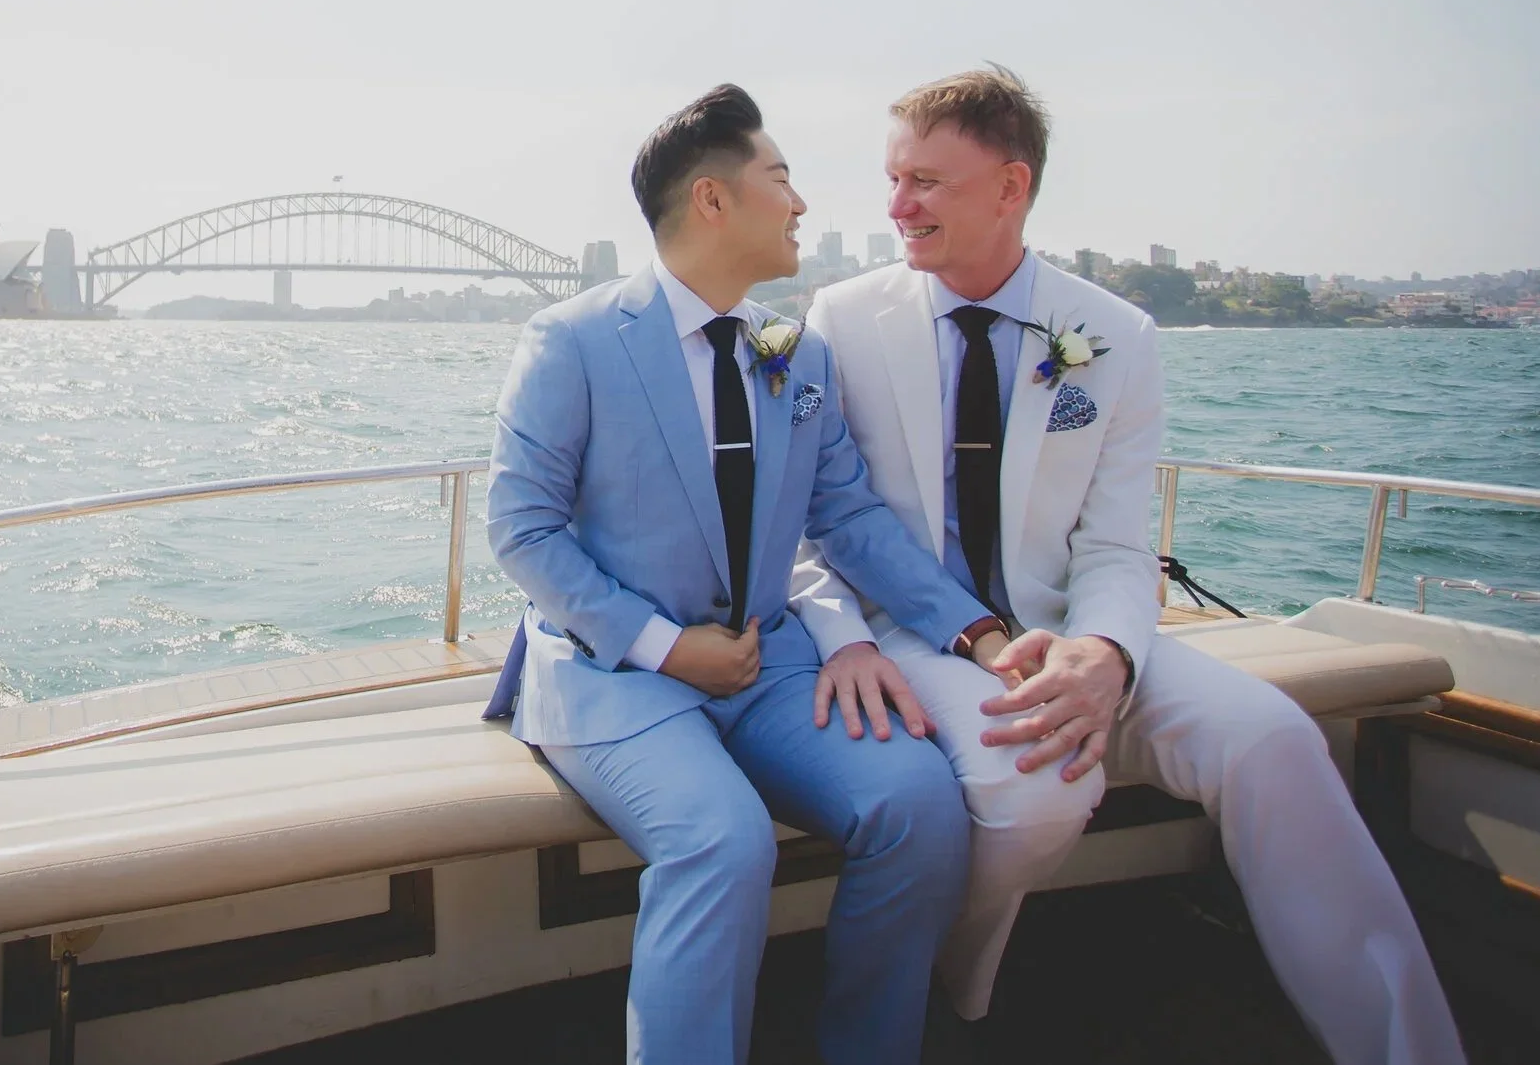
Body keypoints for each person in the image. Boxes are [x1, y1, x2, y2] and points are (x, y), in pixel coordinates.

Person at [790, 66, 1465, 1065]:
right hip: (914, 630)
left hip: (1069, 623)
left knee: (1274, 739)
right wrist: (845, 637)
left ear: (1010, 187)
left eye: (925, 182)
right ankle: (956, 972)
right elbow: (809, 518)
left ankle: (1406, 1048)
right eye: (893, 179)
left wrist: (1106, 651)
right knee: (1035, 787)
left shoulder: (1115, 333)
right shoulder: (840, 321)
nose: (896, 205)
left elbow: (1112, 543)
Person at [483, 83, 1009, 1065]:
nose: (802, 203)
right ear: (713, 202)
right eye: (780, 179)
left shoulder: (792, 349)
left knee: (921, 806)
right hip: (615, 675)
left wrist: (979, 631)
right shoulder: (574, 340)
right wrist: (664, 645)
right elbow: (520, 529)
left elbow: (846, 516)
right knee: (724, 841)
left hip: (767, 664)